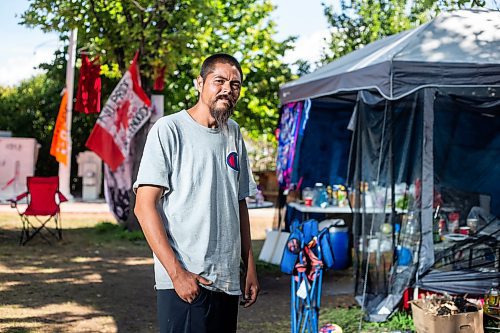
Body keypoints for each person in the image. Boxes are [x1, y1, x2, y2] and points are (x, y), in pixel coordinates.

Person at [133, 53, 259, 333]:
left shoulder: (234, 133)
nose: (228, 89)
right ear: (199, 83)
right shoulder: (169, 130)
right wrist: (177, 274)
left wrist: (249, 265)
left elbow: (239, 203)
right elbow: (144, 207)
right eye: (220, 81)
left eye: (235, 84)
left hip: (226, 281)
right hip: (187, 281)